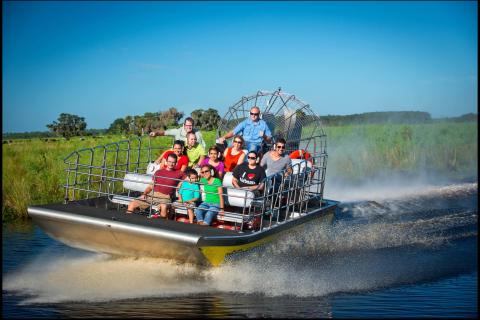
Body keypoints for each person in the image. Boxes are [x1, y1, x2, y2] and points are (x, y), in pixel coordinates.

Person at [126, 153, 185, 218]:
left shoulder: (179, 173)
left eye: (173, 162)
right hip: (153, 195)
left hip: (165, 197)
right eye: (169, 161)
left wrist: (181, 183)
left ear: (176, 163)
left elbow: (189, 179)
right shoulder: (158, 172)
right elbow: (151, 186)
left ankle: (161, 225)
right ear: (166, 162)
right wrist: (144, 194)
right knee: (132, 204)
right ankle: (127, 222)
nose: (171, 164)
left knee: (164, 207)